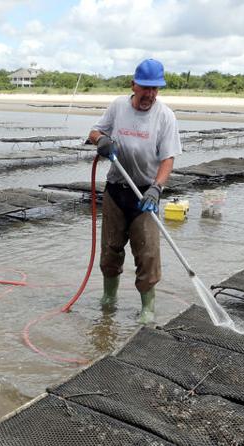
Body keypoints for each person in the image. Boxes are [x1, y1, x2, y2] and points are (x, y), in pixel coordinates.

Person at [86, 58, 182, 324]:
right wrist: (102, 140)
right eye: (145, 88)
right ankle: (109, 299)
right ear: (134, 85)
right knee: (110, 251)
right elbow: (95, 132)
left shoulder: (165, 116)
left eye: (155, 89)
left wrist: (157, 188)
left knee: (148, 255)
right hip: (117, 190)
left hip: (145, 196)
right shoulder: (118, 107)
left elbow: (168, 158)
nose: (149, 94)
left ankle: (147, 309)